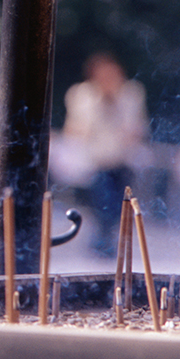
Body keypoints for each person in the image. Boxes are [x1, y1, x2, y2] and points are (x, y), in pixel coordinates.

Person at [61, 51, 149, 256]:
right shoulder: (82, 95)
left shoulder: (131, 94)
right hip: (95, 161)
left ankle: (107, 240)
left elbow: (138, 127)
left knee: (119, 203)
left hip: (122, 159)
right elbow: (75, 129)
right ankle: (101, 242)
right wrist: (99, 103)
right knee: (103, 202)